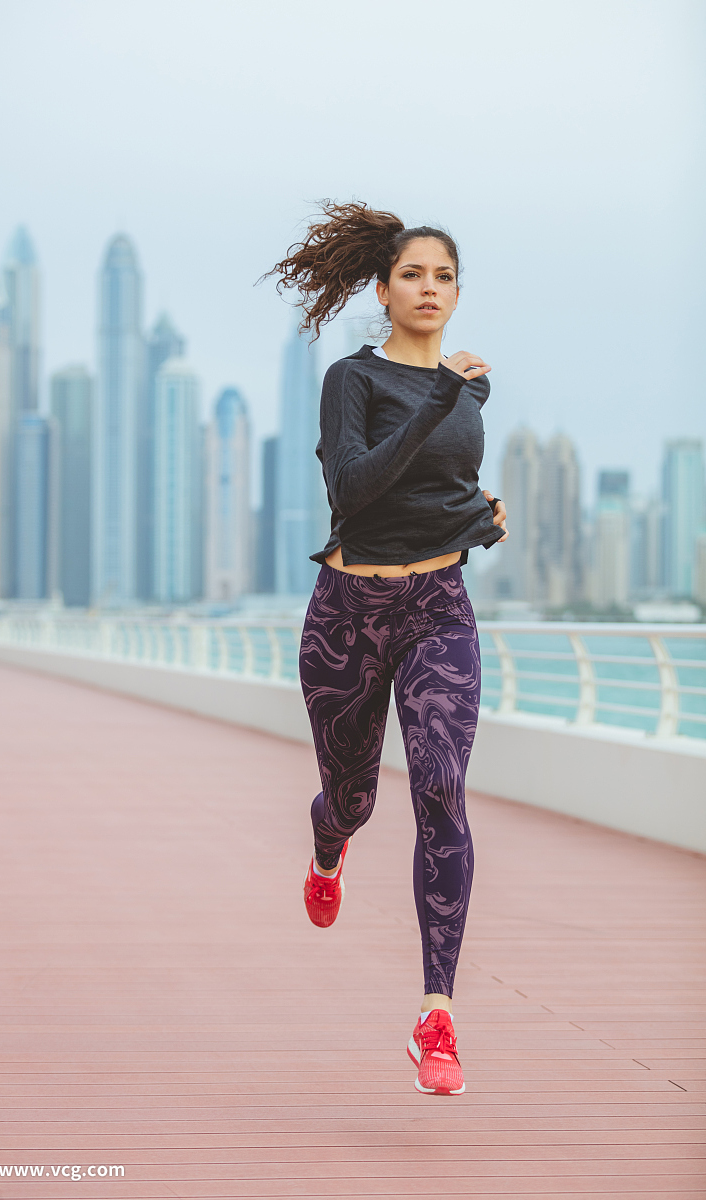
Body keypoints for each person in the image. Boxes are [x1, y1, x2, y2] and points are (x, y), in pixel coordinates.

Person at [266, 201, 508, 1096]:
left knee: (442, 783)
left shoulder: (471, 392)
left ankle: (435, 1015)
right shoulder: (352, 379)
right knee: (354, 795)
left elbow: (446, 491)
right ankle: (328, 848)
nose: (430, 288)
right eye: (413, 274)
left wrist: (481, 521)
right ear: (383, 289)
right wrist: (443, 392)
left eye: (444, 276)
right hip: (348, 611)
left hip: (439, 605)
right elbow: (359, 495)